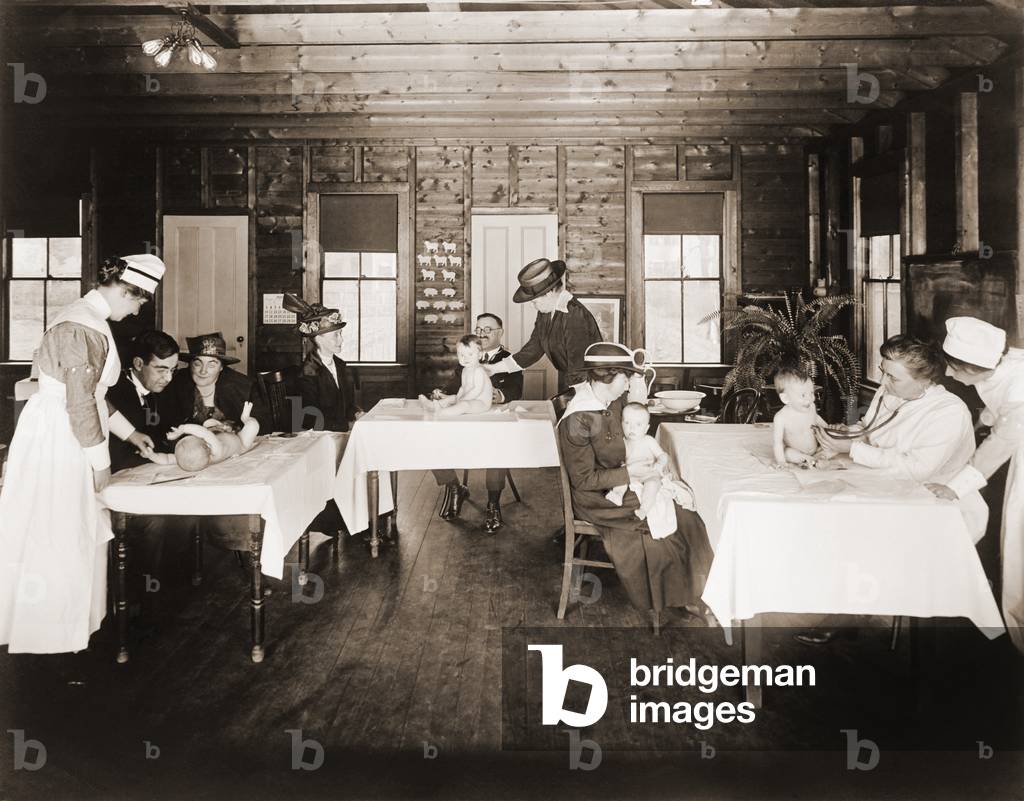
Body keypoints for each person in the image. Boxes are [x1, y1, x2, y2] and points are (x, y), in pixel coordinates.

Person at [0, 253, 166, 654]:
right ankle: (50, 636)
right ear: (126, 290)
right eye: (139, 300)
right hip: (61, 438)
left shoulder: (89, 320)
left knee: (69, 529)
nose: (138, 308)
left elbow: (95, 397)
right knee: (58, 530)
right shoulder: (82, 325)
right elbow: (79, 405)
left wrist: (131, 433)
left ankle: (71, 630)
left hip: (69, 429)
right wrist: (100, 463)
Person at [800, 333, 986, 645]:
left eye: (893, 377)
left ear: (924, 380)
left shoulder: (949, 413)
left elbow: (916, 469)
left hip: (936, 504)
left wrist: (852, 450)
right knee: (825, 512)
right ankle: (845, 605)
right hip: (886, 489)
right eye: (883, 371)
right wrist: (840, 437)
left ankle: (850, 611)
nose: (884, 382)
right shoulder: (890, 393)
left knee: (857, 528)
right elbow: (868, 429)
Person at [558, 342, 713, 627]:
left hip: (618, 480)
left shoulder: (607, 401)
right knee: (673, 522)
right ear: (609, 376)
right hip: (597, 498)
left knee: (688, 514)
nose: (629, 382)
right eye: (626, 376)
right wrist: (630, 474)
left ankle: (700, 593)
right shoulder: (579, 418)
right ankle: (682, 596)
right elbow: (583, 480)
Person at [926, 316, 1024, 654]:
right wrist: (978, 421)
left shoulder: (1019, 382)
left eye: (954, 368)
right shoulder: (1001, 363)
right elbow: (999, 411)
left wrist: (955, 487)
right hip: (1015, 439)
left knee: (1018, 542)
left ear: (974, 365)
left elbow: (1003, 441)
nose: (949, 374)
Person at [431, 313, 524, 533]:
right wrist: (443, 394)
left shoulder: (510, 360)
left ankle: (493, 503)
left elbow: (515, 390)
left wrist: (498, 395)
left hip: (491, 421)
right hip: (465, 422)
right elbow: (456, 385)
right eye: (479, 329)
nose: (481, 333)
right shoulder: (467, 355)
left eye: (488, 329)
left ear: (500, 332)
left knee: (498, 445)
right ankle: (454, 486)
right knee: (431, 438)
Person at [485, 258, 602, 392]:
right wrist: (492, 369)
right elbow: (532, 351)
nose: (532, 305)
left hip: (592, 386)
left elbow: (578, 367)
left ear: (549, 293)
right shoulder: (545, 313)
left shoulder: (574, 314)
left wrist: (576, 400)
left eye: (534, 302)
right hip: (573, 381)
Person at [606, 402, 696, 531]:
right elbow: (618, 460)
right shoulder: (623, 443)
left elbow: (663, 455)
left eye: (638, 424)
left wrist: (659, 464)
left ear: (647, 428)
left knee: (653, 484)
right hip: (632, 474)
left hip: (650, 472)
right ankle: (617, 495)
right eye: (627, 423)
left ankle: (644, 509)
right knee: (621, 479)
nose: (632, 428)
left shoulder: (648, 441)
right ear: (621, 424)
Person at [161, 332, 269, 433]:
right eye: (198, 363)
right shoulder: (174, 383)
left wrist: (233, 427)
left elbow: (262, 424)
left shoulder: (243, 386)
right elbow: (165, 424)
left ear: (221, 367)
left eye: (212, 364)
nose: (203, 371)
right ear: (190, 365)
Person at [285, 293, 362, 433]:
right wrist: (347, 426)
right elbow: (309, 419)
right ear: (318, 339)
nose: (341, 340)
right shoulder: (307, 374)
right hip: (319, 437)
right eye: (335, 335)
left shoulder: (340, 366)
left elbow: (346, 404)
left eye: (341, 334)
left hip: (340, 432)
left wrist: (356, 413)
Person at [106, 329, 179, 472]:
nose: (168, 378)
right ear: (138, 364)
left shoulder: (164, 389)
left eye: (172, 370)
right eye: (161, 370)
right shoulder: (113, 393)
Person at [147, 402, 260, 471]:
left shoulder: (187, 459)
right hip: (240, 442)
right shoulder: (217, 452)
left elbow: (167, 459)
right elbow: (204, 433)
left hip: (221, 433)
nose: (200, 437)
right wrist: (182, 430)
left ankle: (221, 426)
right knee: (253, 426)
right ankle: (246, 418)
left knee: (208, 424)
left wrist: (152, 455)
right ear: (206, 446)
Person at [419, 334, 493, 416]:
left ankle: (442, 412)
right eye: (461, 355)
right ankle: (432, 406)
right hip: (470, 398)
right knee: (453, 397)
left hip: (481, 402)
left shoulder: (479, 371)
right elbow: (463, 387)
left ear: (480, 355)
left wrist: (462, 400)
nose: (465, 358)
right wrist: (458, 397)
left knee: (464, 405)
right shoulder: (465, 370)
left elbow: (476, 390)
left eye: (470, 354)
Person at [772, 367, 827, 468]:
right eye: (803, 395)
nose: (810, 399)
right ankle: (806, 459)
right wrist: (781, 462)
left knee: (831, 445)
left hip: (816, 448)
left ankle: (819, 456)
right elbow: (777, 443)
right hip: (795, 451)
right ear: (786, 398)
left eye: (811, 393)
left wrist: (827, 428)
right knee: (787, 453)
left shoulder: (811, 407)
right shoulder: (781, 418)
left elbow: (816, 418)